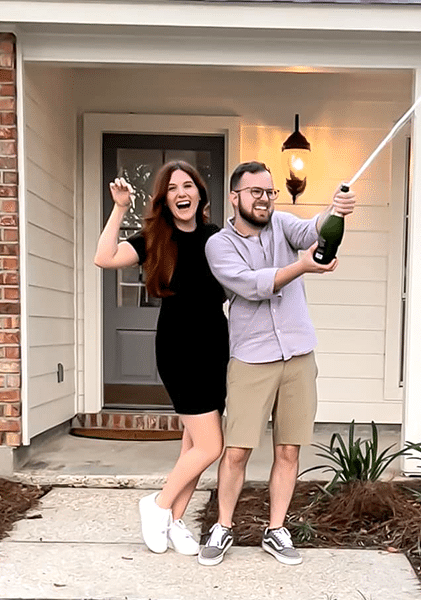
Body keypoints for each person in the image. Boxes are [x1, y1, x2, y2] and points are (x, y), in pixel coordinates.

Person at [199, 161, 356, 566]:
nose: (265, 199)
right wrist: (301, 266)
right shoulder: (219, 244)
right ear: (234, 197)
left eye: (269, 192)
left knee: (288, 449)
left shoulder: (283, 224)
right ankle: (224, 526)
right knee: (236, 450)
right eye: (255, 192)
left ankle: (277, 529)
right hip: (251, 358)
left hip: (299, 355)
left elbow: (314, 229)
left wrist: (335, 210)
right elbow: (251, 285)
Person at [94, 161, 229, 557]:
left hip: (216, 347)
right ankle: (156, 505)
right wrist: (119, 207)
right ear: (164, 199)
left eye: (189, 185)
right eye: (173, 188)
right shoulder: (155, 236)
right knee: (210, 445)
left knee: (193, 442)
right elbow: (104, 258)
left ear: (200, 194)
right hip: (179, 348)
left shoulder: (216, 237)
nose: (182, 193)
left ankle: (174, 521)